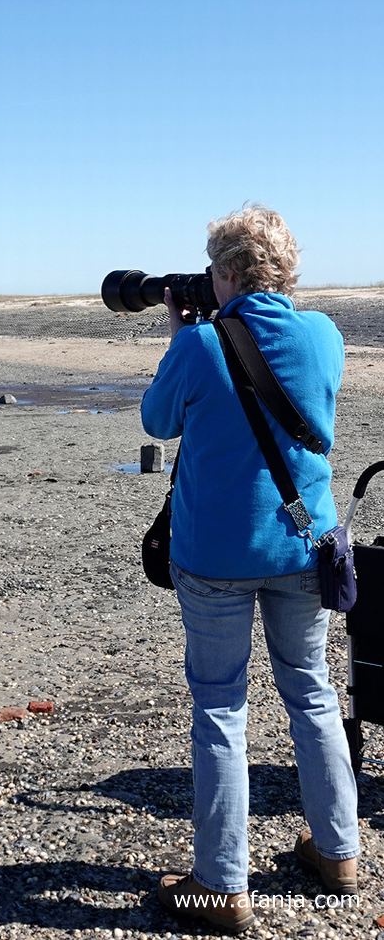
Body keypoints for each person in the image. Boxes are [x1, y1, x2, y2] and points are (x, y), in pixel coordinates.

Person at [141, 205, 359, 934]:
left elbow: (157, 421)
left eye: (214, 268)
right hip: (303, 545)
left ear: (229, 271)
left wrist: (182, 336)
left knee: (219, 707)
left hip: (215, 556)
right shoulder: (325, 334)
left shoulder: (200, 344)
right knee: (313, 693)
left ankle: (220, 886)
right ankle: (339, 853)